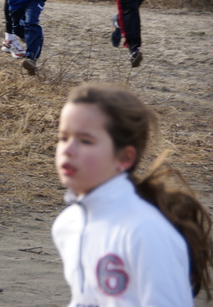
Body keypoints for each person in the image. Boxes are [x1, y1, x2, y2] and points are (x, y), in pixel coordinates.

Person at [52, 82, 213, 306]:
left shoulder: (145, 232)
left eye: (85, 141)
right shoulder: (67, 225)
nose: (67, 150)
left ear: (125, 158)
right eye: (63, 138)